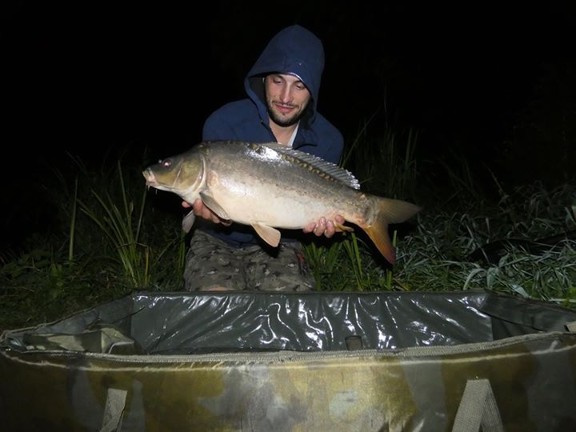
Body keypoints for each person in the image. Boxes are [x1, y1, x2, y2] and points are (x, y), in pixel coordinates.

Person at [183, 24, 345, 292]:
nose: (285, 97)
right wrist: (211, 215)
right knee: (216, 306)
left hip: (282, 243)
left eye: (299, 86)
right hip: (216, 240)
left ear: (313, 90)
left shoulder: (328, 140)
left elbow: (322, 211)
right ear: (263, 79)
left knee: (290, 309)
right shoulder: (224, 124)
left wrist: (327, 222)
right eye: (277, 81)